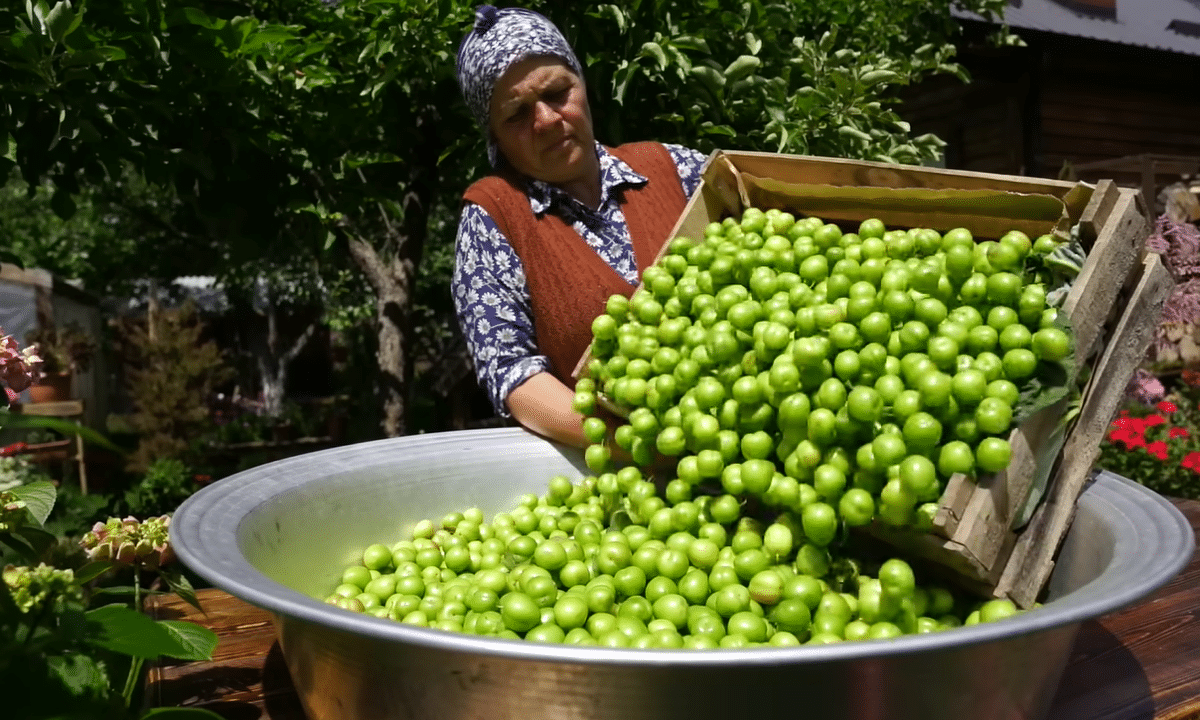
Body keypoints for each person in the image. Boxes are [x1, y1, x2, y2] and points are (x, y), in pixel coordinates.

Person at [453, 5, 707, 448]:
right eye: (517, 114)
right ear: (494, 135)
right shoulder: (494, 217)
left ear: (582, 83)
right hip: (616, 478)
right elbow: (514, 374)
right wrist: (633, 445)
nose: (547, 120)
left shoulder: (672, 168)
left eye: (556, 92)